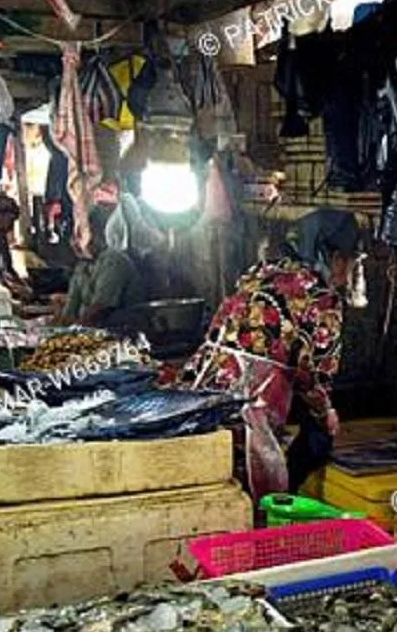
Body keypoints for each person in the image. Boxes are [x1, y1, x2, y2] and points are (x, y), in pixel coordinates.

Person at [183, 209, 358, 498]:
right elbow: (313, 372)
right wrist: (325, 412)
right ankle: (284, 501)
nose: (350, 271)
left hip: (206, 377)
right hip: (254, 392)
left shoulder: (258, 271)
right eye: (352, 261)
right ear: (336, 258)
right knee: (315, 436)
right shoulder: (321, 298)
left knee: (215, 471)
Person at [59, 202, 149, 326]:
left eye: (79, 234)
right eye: (73, 236)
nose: (74, 242)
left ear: (95, 232)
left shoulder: (114, 260)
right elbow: (69, 311)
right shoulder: (82, 267)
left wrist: (75, 331)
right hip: (91, 334)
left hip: (119, 335)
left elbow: (100, 309)